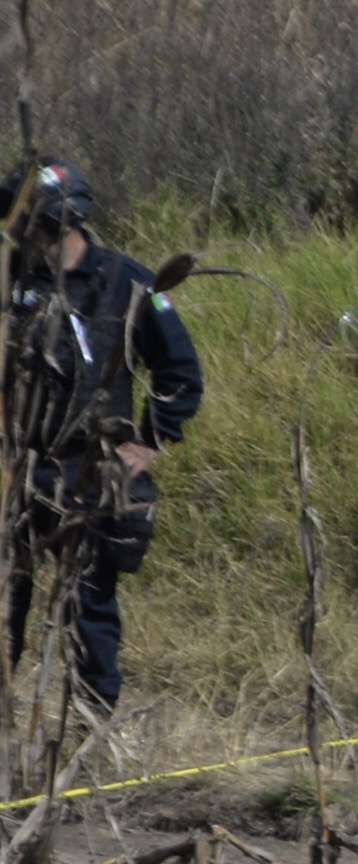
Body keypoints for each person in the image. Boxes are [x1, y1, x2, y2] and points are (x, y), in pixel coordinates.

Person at [6, 161, 201, 712]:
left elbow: (181, 372)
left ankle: (93, 731)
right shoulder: (8, 282)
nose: (20, 237)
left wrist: (149, 443)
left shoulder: (128, 283)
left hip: (88, 475)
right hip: (15, 469)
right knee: (7, 606)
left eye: (27, 226)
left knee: (89, 608)